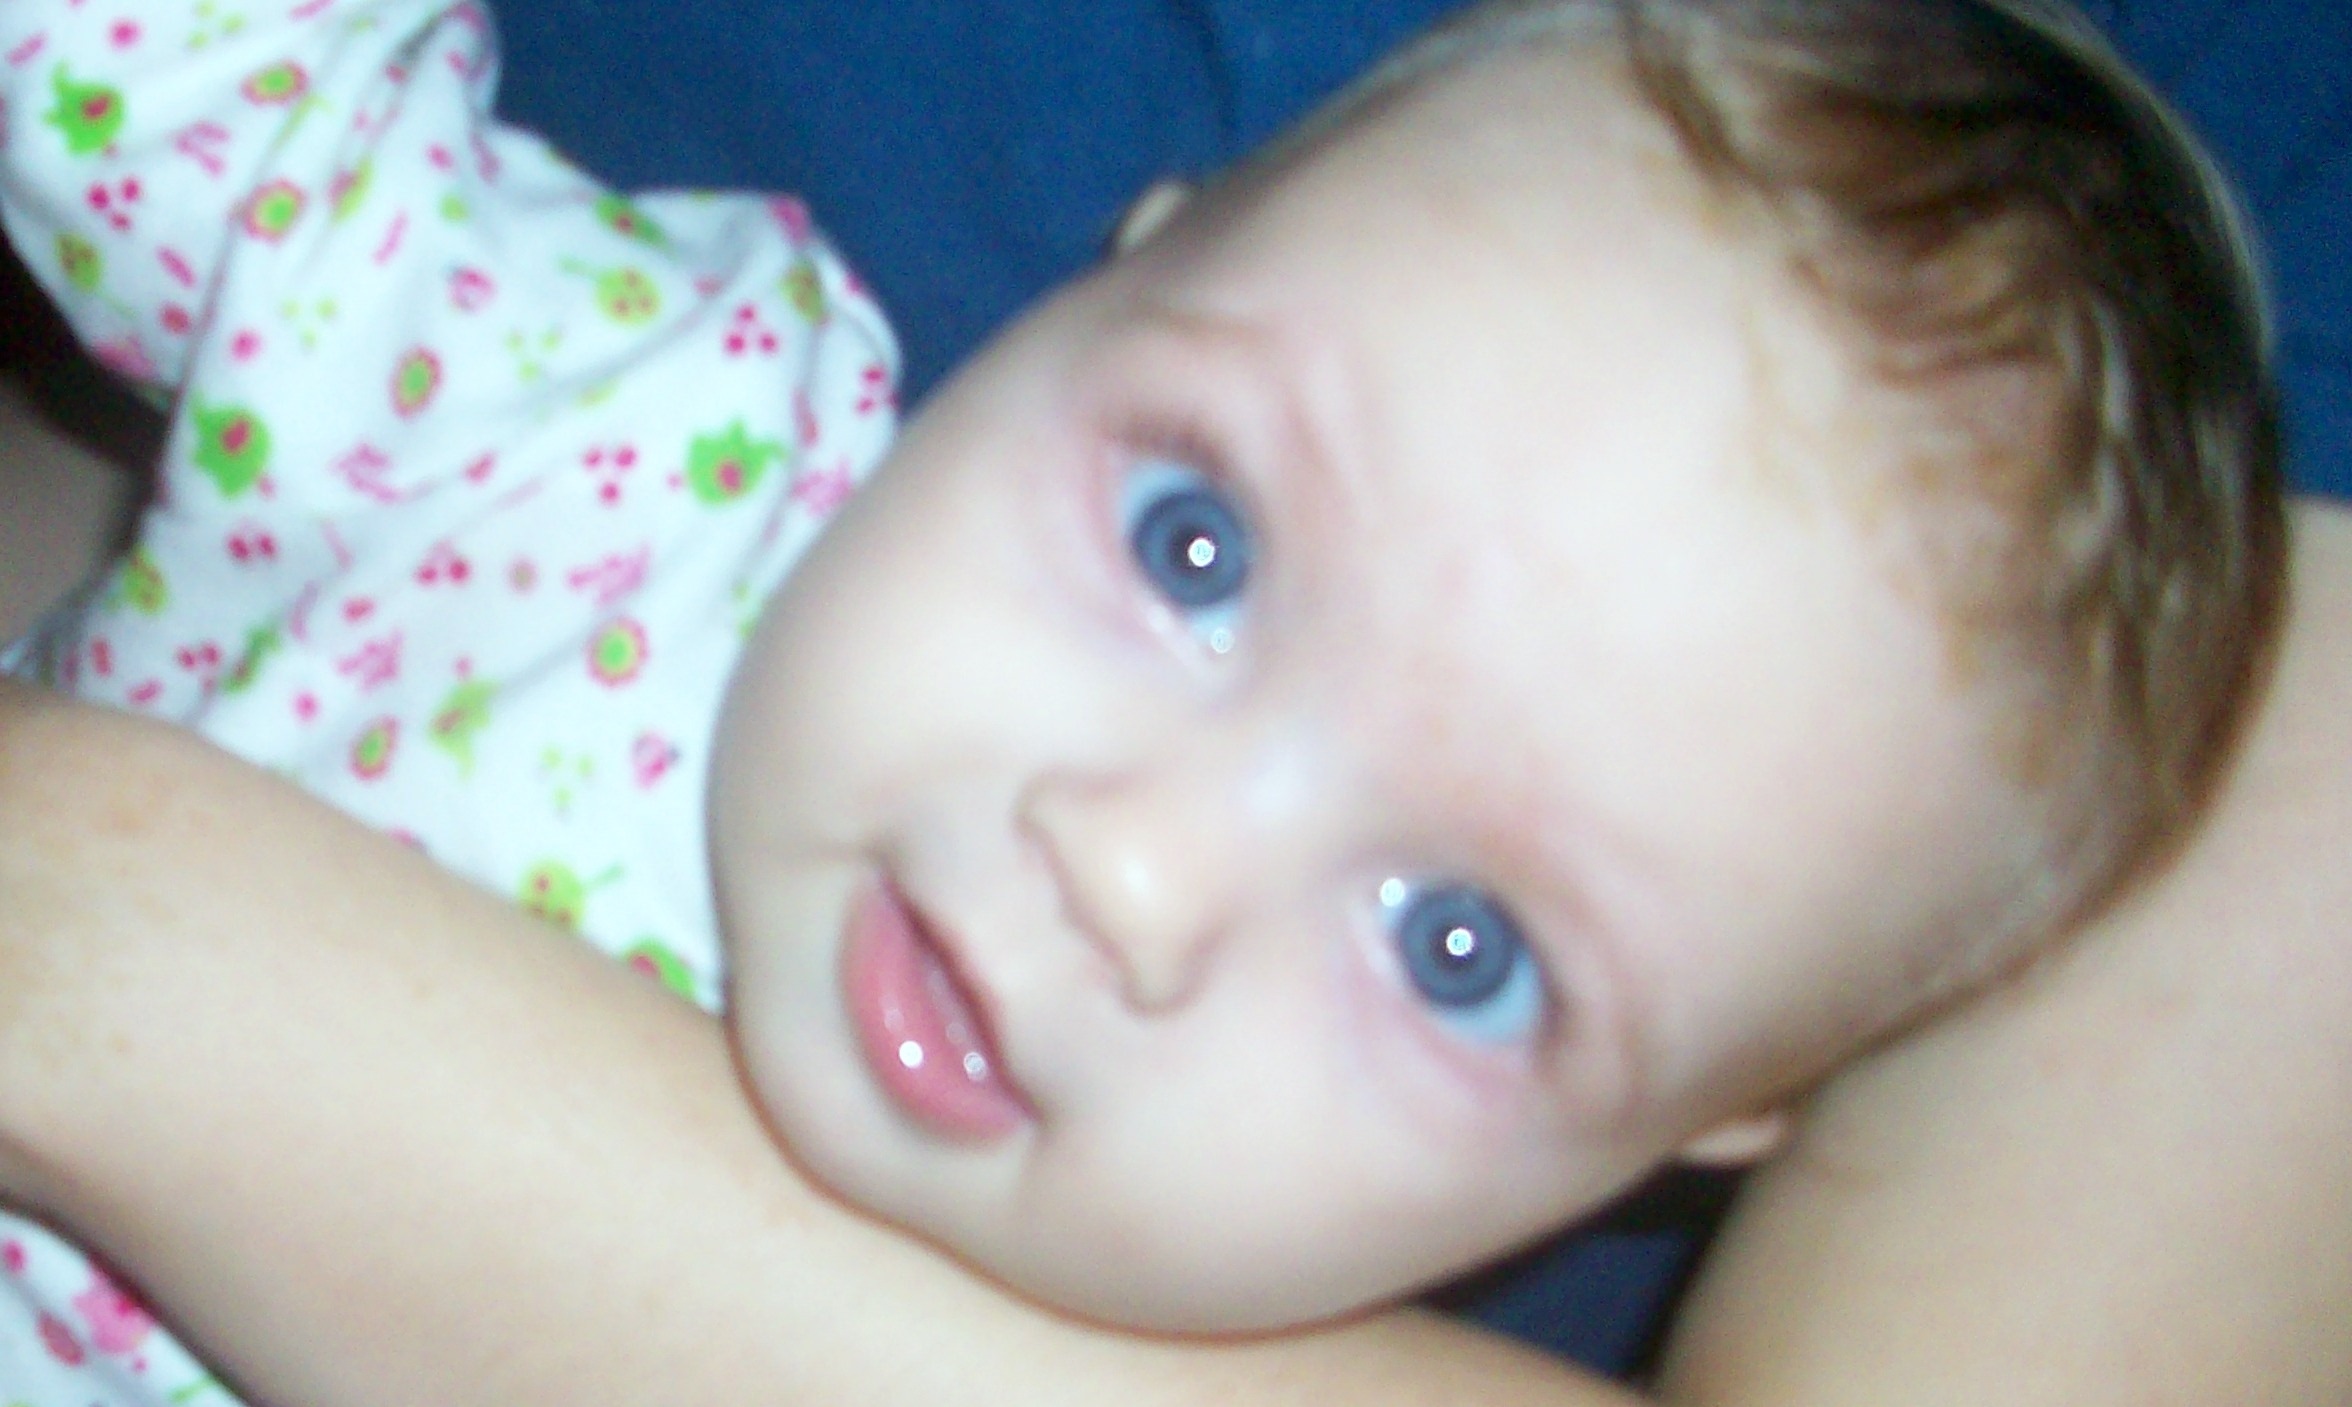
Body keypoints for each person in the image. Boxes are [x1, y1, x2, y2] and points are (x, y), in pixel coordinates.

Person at [0, 0, 2317, 1400]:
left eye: (1460, 945)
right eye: (1193, 545)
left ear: (1690, 1129)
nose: (1136, 868)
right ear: (1123, 266)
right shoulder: (586, 417)